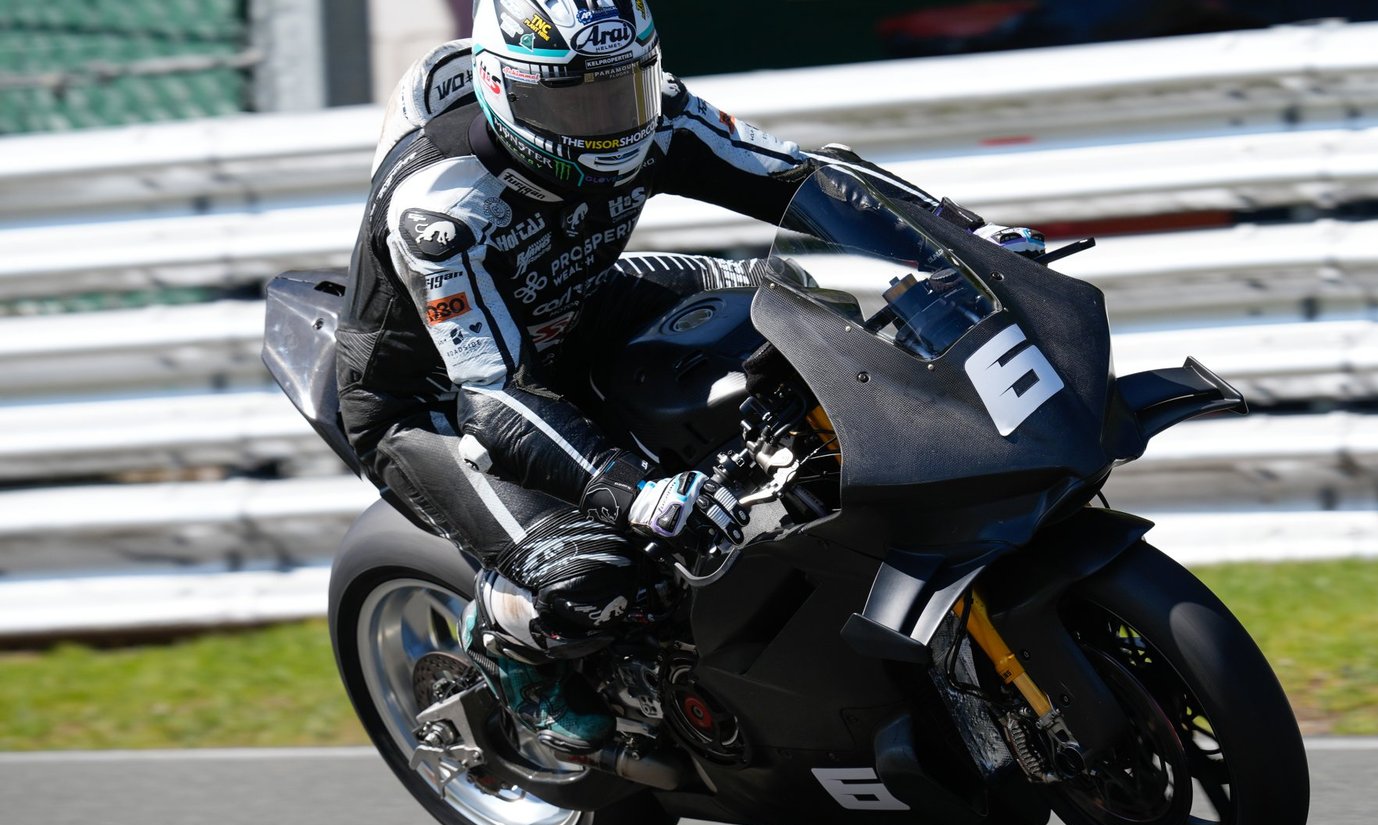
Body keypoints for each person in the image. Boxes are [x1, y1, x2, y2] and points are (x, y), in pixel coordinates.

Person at [336, 0, 1044, 755]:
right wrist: (629, 491)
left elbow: (801, 182)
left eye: (623, 91)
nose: (607, 125)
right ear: (504, 89)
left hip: (580, 305)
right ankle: (512, 649)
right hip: (435, 402)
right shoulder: (442, 212)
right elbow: (494, 394)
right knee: (595, 576)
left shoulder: (664, 116)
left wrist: (965, 245)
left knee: (791, 302)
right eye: (573, 101)